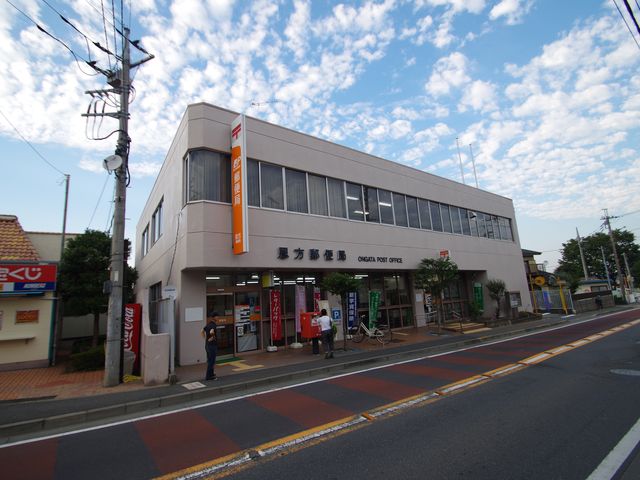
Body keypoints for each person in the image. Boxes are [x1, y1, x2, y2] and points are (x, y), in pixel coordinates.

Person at [202, 313, 218, 380]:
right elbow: (212, 332)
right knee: (212, 361)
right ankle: (209, 376)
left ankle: (211, 374)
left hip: (207, 345)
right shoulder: (213, 325)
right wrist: (213, 338)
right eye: (217, 316)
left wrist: (206, 339)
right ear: (214, 317)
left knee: (209, 360)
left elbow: (202, 330)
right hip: (212, 346)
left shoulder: (208, 324)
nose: (218, 318)